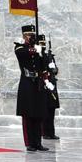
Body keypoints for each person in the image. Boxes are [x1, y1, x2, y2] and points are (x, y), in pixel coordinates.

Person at [13, 24, 51, 152]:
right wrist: (35, 50)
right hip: (27, 83)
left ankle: (38, 142)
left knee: (38, 113)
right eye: (29, 35)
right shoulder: (19, 47)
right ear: (24, 36)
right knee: (28, 114)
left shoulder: (38, 49)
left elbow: (44, 65)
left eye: (33, 35)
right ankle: (30, 143)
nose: (32, 37)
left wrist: (42, 54)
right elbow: (22, 53)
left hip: (38, 83)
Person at [37, 34, 61, 140]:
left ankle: (51, 132)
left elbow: (55, 72)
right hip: (44, 85)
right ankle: (45, 132)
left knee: (51, 110)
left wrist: (54, 68)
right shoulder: (38, 56)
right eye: (41, 44)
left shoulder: (50, 56)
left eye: (44, 44)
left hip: (52, 85)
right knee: (45, 111)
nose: (43, 46)